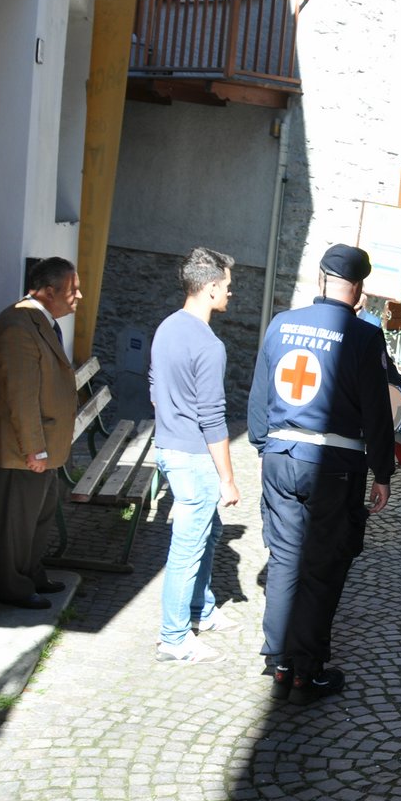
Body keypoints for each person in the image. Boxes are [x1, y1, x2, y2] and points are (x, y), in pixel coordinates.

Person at [248, 244, 394, 706]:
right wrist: (384, 472)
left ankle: (279, 661)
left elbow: (257, 400)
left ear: (320, 279)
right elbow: (377, 414)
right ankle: (305, 672)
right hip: (333, 467)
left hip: (279, 457)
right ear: (360, 291)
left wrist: (263, 446)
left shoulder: (280, 324)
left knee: (285, 562)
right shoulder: (364, 336)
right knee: (322, 568)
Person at [151, 248, 242, 664]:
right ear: (208, 289)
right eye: (225, 285)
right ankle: (173, 638)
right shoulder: (209, 344)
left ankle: (200, 610)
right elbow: (213, 417)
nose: (230, 291)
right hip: (192, 456)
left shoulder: (167, 327)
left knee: (211, 533)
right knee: (187, 547)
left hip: (169, 447)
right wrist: (227, 477)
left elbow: (155, 384)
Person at [0, 257, 81, 610]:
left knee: (40, 513)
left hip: (45, 444)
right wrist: (33, 449)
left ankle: (31, 573)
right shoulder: (19, 325)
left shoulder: (39, 322)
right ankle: (14, 586)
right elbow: (21, 394)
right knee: (18, 522)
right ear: (49, 291)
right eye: (72, 289)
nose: (78, 296)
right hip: (25, 448)